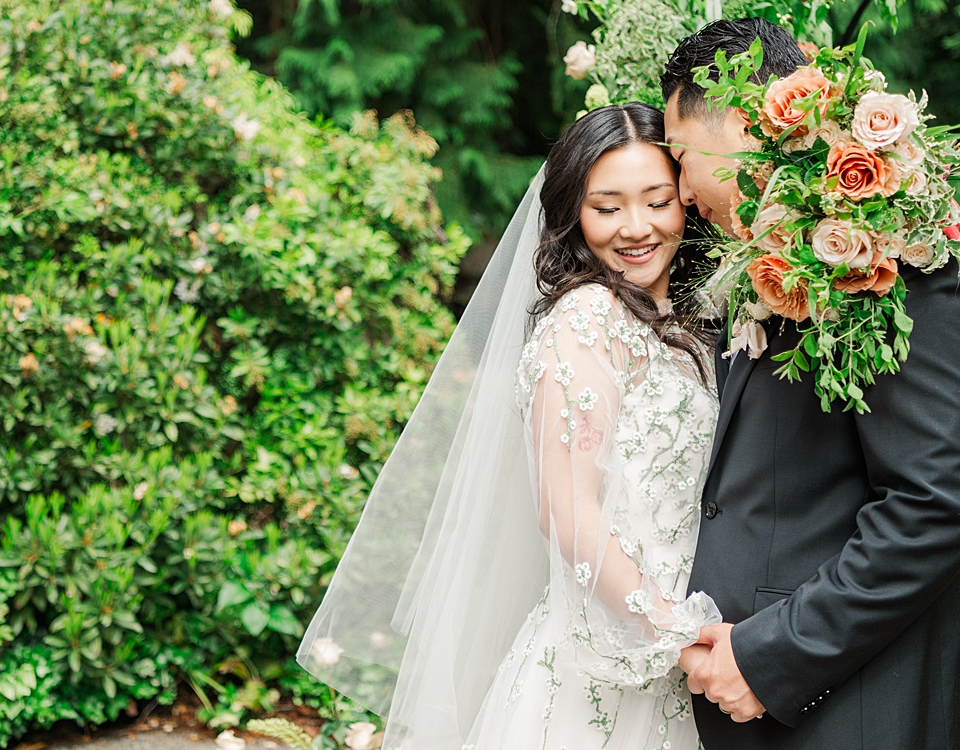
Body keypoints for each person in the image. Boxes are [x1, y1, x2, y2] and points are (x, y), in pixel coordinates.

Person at [298, 102, 723, 749]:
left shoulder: (686, 321)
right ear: (575, 214)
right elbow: (568, 510)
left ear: (685, 201)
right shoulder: (586, 320)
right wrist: (671, 629)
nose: (636, 227)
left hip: (678, 663)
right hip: (606, 667)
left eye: (657, 201)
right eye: (607, 207)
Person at [660, 17, 960, 750]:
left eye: (681, 158)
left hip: (858, 707)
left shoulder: (897, 251)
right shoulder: (756, 245)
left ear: (740, 123)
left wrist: (769, 656)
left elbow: (934, 504)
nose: (679, 190)